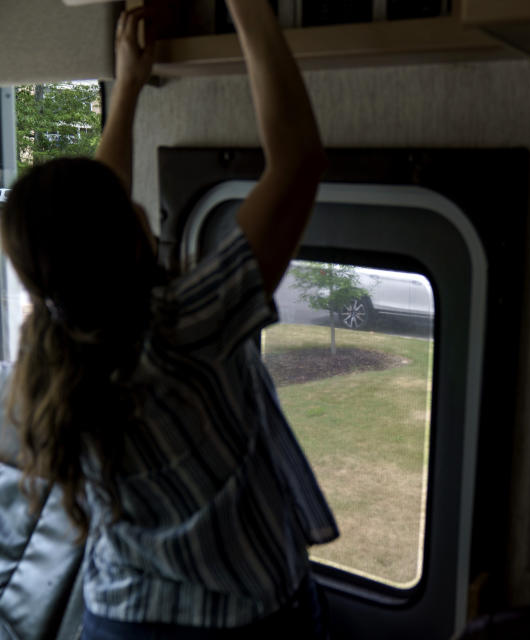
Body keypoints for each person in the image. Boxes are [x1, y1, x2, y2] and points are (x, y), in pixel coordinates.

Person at [2, 3, 335, 637]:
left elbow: (89, 228)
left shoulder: (50, 347)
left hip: (121, 615)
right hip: (243, 622)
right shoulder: (185, 325)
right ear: (126, 232)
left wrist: (125, 88)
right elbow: (297, 164)